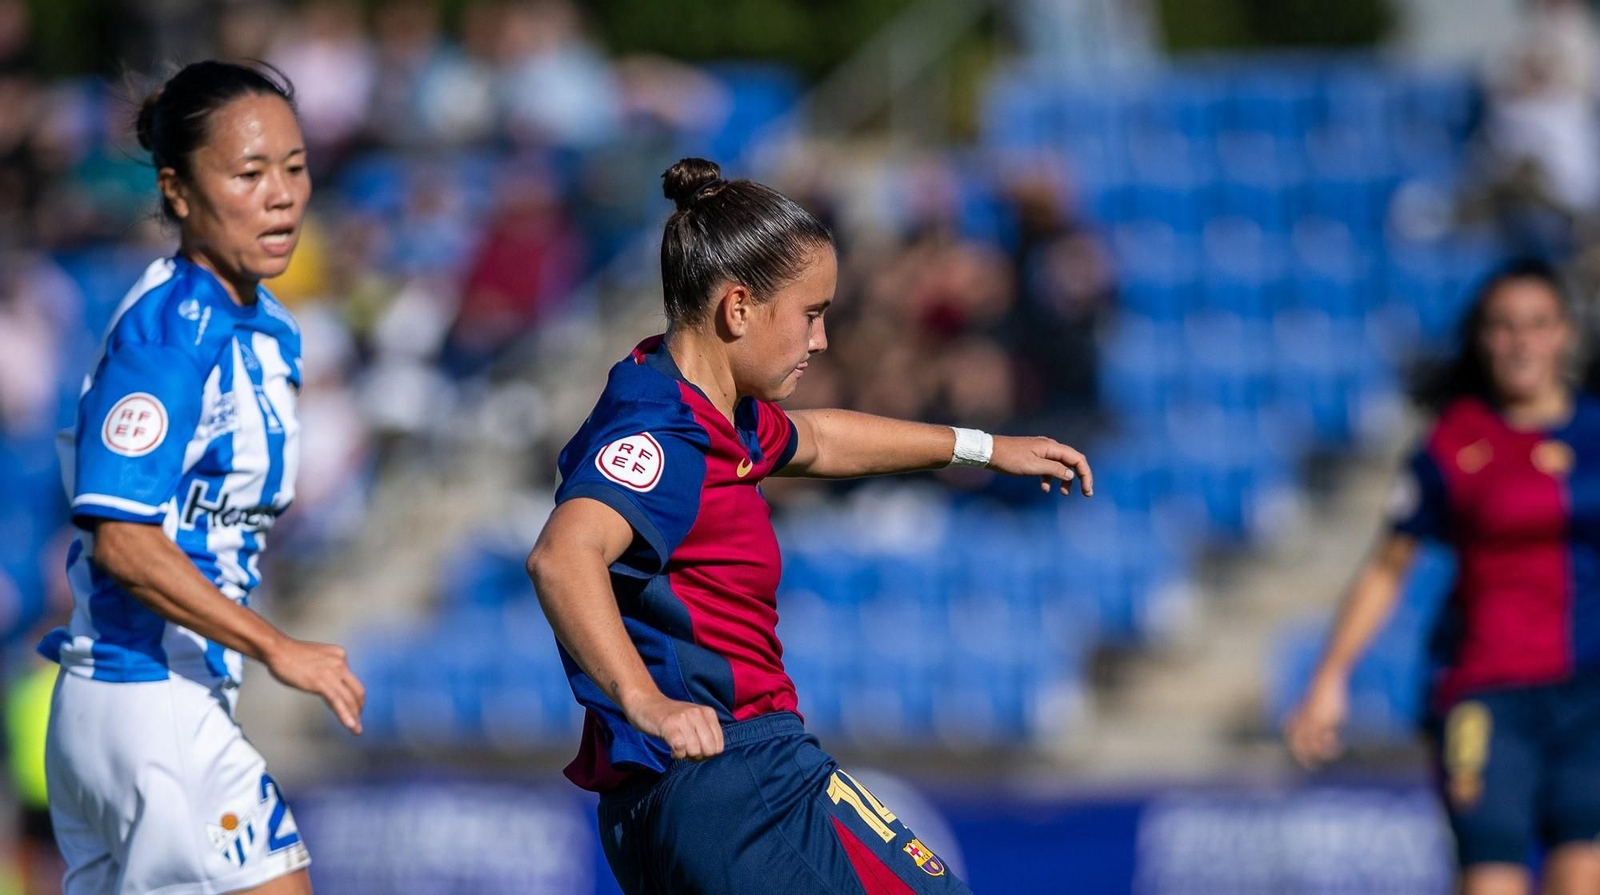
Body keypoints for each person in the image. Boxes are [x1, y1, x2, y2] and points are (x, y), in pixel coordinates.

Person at [526, 157, 1094, 895]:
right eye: (812, 313)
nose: (821, 340)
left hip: (691, 789)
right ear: (738, 308)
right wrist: (646, 699)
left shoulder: (707, 409)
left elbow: (819, 440)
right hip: (739, 778)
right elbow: (562, 557)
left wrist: (985, 446)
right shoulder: (663, 436)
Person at [36, 61, 364, 895]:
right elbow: (121, 539)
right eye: (249, 173)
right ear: (178, 192)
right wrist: (277, 645)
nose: (283, 194)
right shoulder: (171, 333)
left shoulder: (262, 325)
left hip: (149, 705)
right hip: (147, 695)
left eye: (294, 167)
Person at [1285, 259, 1600, 895]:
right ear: (1483, 338)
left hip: (1590, 697)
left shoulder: (1596, 434)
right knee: (1490, 878)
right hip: (1485, 697)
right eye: (1504, 327)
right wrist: (1329, 677)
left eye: (1537, 326)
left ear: (1564, 334)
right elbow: (1386, 567)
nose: (1520, 344)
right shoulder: (1454, 444)